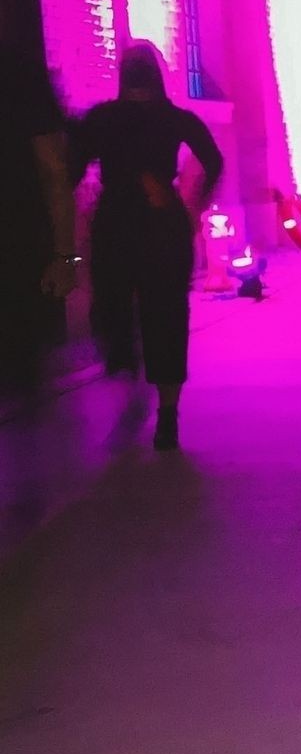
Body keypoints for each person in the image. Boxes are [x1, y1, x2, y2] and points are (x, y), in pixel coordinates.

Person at [69, 43, 223, 448]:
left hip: (117, 219)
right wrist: (194, 204)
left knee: (113, 306)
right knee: (167, 314)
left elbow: (70, 167)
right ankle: (167, 414)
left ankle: (128, 378)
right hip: (160, 218)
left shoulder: (103, 118)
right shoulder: (174, 118)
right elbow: (214, 160)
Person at [0, 40, 76, 391]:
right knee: (22, 376)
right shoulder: (20, 71)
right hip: (17, 245)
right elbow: (54, 171)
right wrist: (65, 257)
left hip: (18, 247)